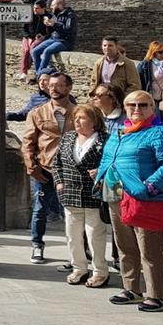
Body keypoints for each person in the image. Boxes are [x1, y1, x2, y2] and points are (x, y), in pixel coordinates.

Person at [96, 91, 163, 313]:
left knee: (149, 250)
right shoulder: (119, 133)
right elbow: (107, 158)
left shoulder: (160, 133)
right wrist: (100, 179)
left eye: (143, 105)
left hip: (146, 199)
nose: (137, 109)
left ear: (152, 108)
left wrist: (149, 187)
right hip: (116, 195)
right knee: (125, 246)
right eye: (131, 105)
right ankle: (131, 289)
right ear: (124, 108)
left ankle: (156, 296)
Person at [22, 71, 76, 264]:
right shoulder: (38, 112)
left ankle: (80, 249)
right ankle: (37, 244)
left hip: (72, 169)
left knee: (75, 212)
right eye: (51, 85)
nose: (53, 89)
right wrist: (31, 166)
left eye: (59, 85)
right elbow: (28, 142)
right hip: (46, 168)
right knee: (40, 209)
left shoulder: (79, 112)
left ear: (69, 87)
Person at [53, 105, 110, 288]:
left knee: (95, 236)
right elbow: (57, 163)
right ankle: (79, 268)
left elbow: (113, 163)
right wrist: (59, 182)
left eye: (82, 118)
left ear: (94, 121)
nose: (77, 121)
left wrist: (101, 171)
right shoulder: (68, 137)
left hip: (93, 194)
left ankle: (100, 271)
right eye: (75, 118)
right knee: (72, 235)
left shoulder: (105, 139)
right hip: (70, 194)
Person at [31, 0, 76, 77]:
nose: (51, 7)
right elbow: (53, 30)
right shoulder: (55, 14)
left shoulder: (70, 15)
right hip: (54, 38)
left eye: (52, 5)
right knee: (35, 51)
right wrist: (48, 25)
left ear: (59, 5)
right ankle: (39, 73)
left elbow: (69, 30)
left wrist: (54, 24)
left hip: (65, 41)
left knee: (47, 51)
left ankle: (39, 75)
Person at [18, 0, 51, 80]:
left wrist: (43, 36)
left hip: (40, 38)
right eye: (34, 8)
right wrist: (28, 36)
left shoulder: (48, 17)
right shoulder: (30, 15)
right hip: (28, 37)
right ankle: (23, 71)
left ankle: (36, 70)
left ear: (43, 8)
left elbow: (50, 31)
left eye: (37, 8)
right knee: (26, 50)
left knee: (33, 48)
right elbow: (23, 28)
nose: (34, 10)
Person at [136, 41, 163, 111]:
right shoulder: (144, 65)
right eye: (160, 52)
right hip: (152, 99)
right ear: (153, 52)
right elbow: (139, 82)